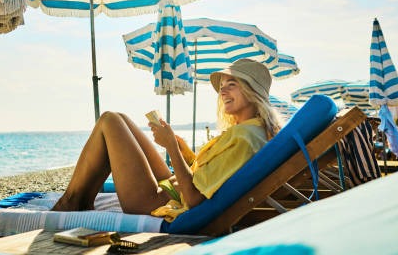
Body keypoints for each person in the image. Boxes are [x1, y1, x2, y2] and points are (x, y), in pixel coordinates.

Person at [51, 59, 282, 222]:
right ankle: (79, 200)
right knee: (121, 119)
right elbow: (211, 174)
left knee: (109, 121)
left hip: (156, 203)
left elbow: (193, 200)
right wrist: (184, 151)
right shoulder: (251, 131)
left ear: (253, 92)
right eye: (222, 87)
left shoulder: (244, 138)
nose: (222, 92)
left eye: (232, 85)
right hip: (172, 188)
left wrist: (171, 146)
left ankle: (71, 202)